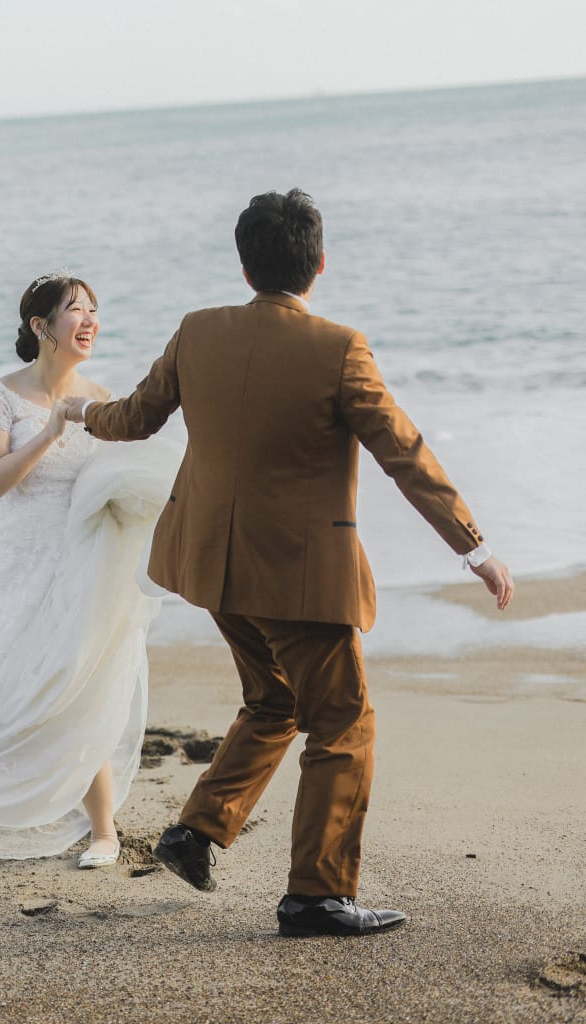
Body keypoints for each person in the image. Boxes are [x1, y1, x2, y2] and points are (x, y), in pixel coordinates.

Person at [62, 190, 514, 935]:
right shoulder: (338, 348)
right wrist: (476, 548)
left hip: (210, 565)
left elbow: (134, 418)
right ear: (320, 264)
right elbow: (403, 452)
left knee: (276, 702)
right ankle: (316, 895)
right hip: (299, 580)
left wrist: (81, 411)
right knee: (344, 721)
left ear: (245, 267)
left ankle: (197, 831)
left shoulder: (198, 331)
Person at [0, 271, 179, 869]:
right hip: (10, 562)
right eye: (77, 309)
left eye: (95, 309)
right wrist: (52, 429)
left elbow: (116, 480)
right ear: (41, 326)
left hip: (80, 565)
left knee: (81, 684)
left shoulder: (99, 396)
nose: (90, 320)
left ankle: (104, 831)